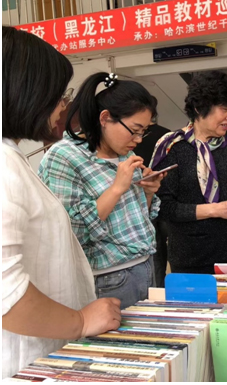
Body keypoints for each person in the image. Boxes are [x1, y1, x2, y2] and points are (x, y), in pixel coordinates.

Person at [2, 26, 120, 378]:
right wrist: (80, 321)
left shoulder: (12, 159)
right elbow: (6, 293)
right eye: (60, 94)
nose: (64, 105)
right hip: (21, 361)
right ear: (26, 92)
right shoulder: (4, 167)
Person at [39, 72, 164, 310]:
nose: (138, 139)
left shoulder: (124, 153)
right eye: (135, 129)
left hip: (145, 266)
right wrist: (117, 188)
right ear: (105, 118)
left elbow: (135, 219)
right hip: (108, 278)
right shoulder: (64, 157)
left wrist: (148, 193)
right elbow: (72, 232)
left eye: (144, 131)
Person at [152, 71, 227, 274]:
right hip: (192, 256)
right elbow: (164, 208)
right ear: (200, 107)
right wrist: (216, 210)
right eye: (224, 109)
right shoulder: (173, 148)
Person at [134, 118, 171, 287]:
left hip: (153, 200)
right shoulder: (165, 134)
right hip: (157, 199)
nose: (138, 139)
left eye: (141, 132)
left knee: (155, 253)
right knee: (156, 251)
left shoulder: (165, 135)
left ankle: (157, 287)